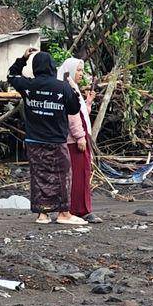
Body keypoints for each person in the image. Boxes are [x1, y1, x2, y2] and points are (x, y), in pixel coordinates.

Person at [8, 49, 87, 226]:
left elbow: (11, 75)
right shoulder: (62, 87)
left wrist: (23, 58)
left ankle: (42, 215)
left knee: (38, 176)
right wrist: (74, 90)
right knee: (63, 176)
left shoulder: (27, 85)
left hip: (34, 141)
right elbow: (74, 109)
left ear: (35, 67)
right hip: (57, 141)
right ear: (52, 67)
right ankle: (63, 213)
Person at [59, 57, 98, 221]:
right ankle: (79, 209)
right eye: (79, 70)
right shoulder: (68, 88)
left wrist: (87, 103)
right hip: (74, 141)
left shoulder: (72, 87)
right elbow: (71, 116)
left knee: (81, 173)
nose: (81, 73)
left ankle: (79, 209)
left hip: (77, 138)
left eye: (82, 70)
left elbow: (80, 114)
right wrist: (80, 137)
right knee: (79, 175)